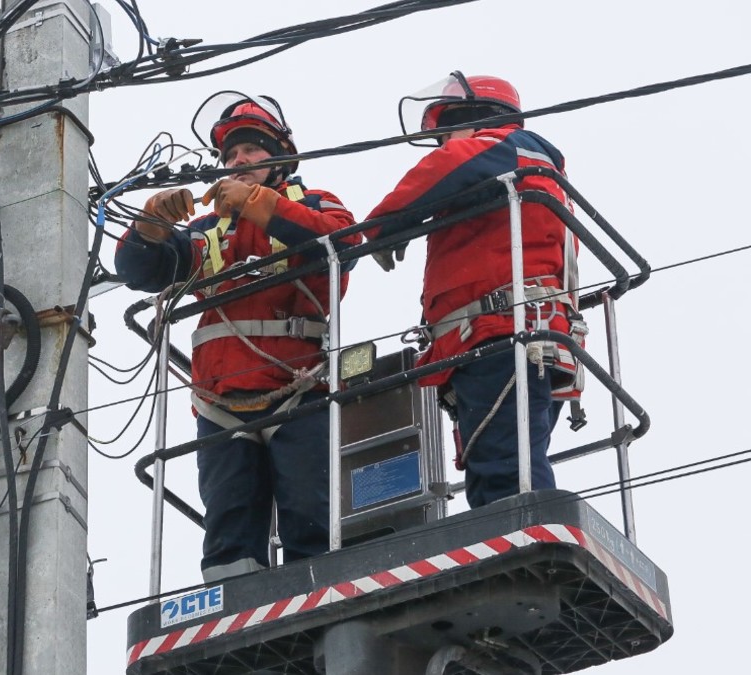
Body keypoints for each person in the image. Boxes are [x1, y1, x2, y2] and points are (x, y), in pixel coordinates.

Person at [114, 95, 360, 582]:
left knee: (310, 519)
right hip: (219, 399)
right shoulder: (206, 229)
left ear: (281, 159)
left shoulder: (313, 204)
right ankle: (236, 619)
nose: (238, 162)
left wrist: (256, 204)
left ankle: (316, 612)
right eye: (230, 156)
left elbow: (344, 244)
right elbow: (138, 271)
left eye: (250, 150)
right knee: (227, 531)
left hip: (300, 388)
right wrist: (150, 226)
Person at [363, 72, 586, 509]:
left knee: (508, 467)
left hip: (503, 333)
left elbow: (448, 165)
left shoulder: (512, 147)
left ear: (480, 117)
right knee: (493, 467)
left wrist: (385, 224)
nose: (444, 143)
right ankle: (511, 555)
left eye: (449, 128)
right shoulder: (501, 176)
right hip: (497, 336)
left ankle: (529, 546)